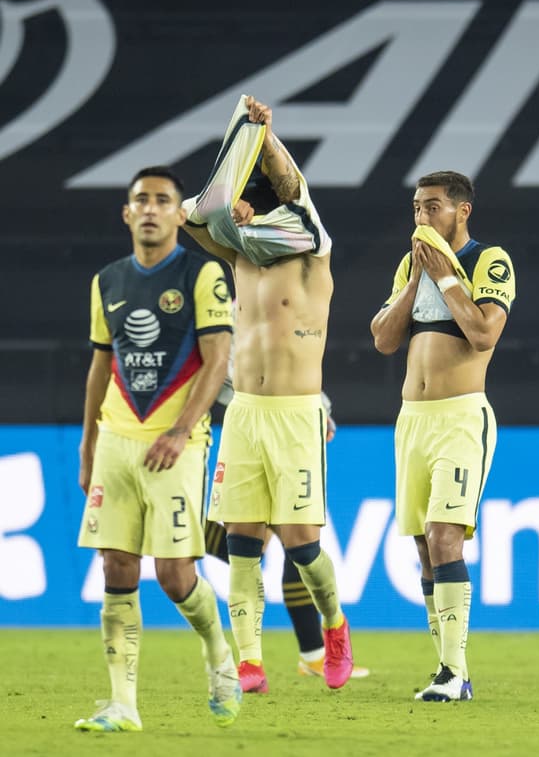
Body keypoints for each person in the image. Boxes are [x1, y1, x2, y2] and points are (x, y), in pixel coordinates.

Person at [181, 95, 353, 693]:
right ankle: (249, 660)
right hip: (244, 415)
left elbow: (290, 185)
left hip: (295, 413)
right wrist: (228, 175)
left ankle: (334, 624)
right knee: (242, 541)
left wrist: (266, 137)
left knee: (304, 548)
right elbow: (195, 217)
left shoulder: (313, 250)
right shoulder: (240, 254)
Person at [74, 166, 241, 732]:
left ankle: (219, 652)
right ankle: (122, 703)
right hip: (118, 441)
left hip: (178, 443)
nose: (149, 208)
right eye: (140, 200)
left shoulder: (204, 274)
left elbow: (217, 359)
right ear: (127, 214)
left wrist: (179, 430)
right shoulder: (107, 281)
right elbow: (102, 364)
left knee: (173, 575)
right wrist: (88, 442)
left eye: (161, 200)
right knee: (116, 565)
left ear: (177, 213)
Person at [369, 170, 516, 702]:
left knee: (444, 535)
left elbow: (482, 333)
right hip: (412, 420)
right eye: (416, 208)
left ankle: (454, 673)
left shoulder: (489, 260)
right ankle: (446, 669)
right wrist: (417, 281)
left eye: (433, 207)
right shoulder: (410, 265)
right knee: (424, 549)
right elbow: (384, 339)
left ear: (462, 211)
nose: (422, 218)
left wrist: (448, 277)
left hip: (460, 416)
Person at [202, 379, 370, 680]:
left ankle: (318, 647)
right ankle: (304, 655)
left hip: (288, 415)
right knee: (261, 544)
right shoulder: (234, 333)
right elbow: (217, 358)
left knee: (294, 546)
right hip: (250, 418)